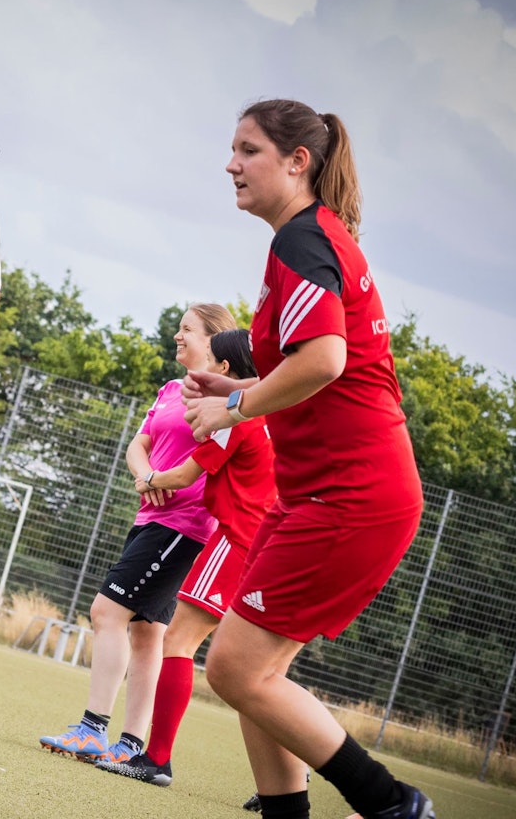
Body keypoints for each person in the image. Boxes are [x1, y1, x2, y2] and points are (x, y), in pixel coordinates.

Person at [182, 99, 432, 819]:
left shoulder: (302, 240)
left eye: (248, 150)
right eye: (233, 149)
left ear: (298, 162)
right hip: (329, 494)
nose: (230, 164)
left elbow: (324, 360)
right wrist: (239, 387)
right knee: (250, 669)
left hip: (351, 496)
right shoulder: (307, 237)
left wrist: (234, 410)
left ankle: (393, 806)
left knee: (235, 669)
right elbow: (316, 370)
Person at [38, 303, 236, 766]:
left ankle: (92, 729)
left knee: (106, 612)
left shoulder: (223, 403)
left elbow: (201, 468)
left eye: (187, 330)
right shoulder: (169, 390)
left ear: (213, 342)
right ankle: (129, 744)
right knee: (147, 634)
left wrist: (158, 480)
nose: (177, 336)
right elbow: (139, 444)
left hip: (183, 527)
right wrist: (146, 475)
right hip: (150, 520)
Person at [98, 327, 276, 788]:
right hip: (264, 543)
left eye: (210, 355)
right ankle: (286, 781)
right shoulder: (273, 415)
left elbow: (184, 474)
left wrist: (148, 480)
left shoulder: (237, 418)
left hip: (235, 540)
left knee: (177, 641)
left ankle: (156, 759)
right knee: (260, 671)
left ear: (225, 368)